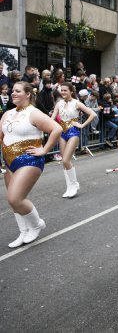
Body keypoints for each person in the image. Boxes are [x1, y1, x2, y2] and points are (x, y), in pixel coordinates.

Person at [0, 81, 62, 248]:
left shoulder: (33, 113)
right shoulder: (7, 114)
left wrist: (44, 150)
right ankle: (23, 231)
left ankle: (36, 224)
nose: (13, 93)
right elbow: (1, 137)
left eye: (18, 91)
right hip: (9, 161)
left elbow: (56, 129)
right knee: (14, 201)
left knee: (15, 197)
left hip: (29, 160)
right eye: (13, 91)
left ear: (28, 94)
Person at [51, 82, 96, 198]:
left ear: (71, 91)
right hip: (62, 132)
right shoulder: (59, 104)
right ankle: (69, 187)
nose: (63, 92)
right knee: (64, 162)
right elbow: (51, 119)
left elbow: (93, 114)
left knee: (66, 160)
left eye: (65, 90)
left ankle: (74, 184)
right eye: (62, 90)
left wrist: (82, 125)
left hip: (73, 132)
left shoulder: (77, 103)